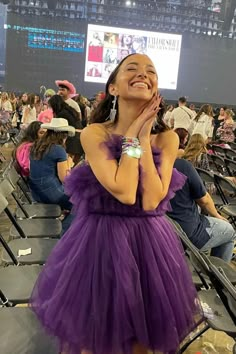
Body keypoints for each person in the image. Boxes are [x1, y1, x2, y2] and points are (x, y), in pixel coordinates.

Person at [31, 54, 202, 354]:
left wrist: (143, 135)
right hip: (99, 244)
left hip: (150, 247)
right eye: (132, 69)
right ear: (113, 88)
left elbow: (150, 199)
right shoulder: (94, 132)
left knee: (141, 343)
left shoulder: (168, 139)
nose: (143, 74)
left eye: (151, 71)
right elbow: (124, 190)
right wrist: (133, 134)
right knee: (91, 339)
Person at [167, 158, 236, 262]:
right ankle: (217, 274)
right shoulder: (182, 165)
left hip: (165, 227)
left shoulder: (148, 166)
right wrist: (218, 215)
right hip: (188, 233)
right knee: (230, 232)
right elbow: (204, 200)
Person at [29, 118, 75, 210]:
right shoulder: (58, 149)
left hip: (35, 193)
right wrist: (69, 165)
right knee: (81, 205)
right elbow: (64, 179)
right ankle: (63, 225)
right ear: (63, 136)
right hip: (51, 194)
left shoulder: (36, 145)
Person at [48, 95, 84, 164]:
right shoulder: (70, 110)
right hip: (79, 137)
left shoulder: (61, 114)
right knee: (73, 164)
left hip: (72, 139)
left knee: (68, 164)